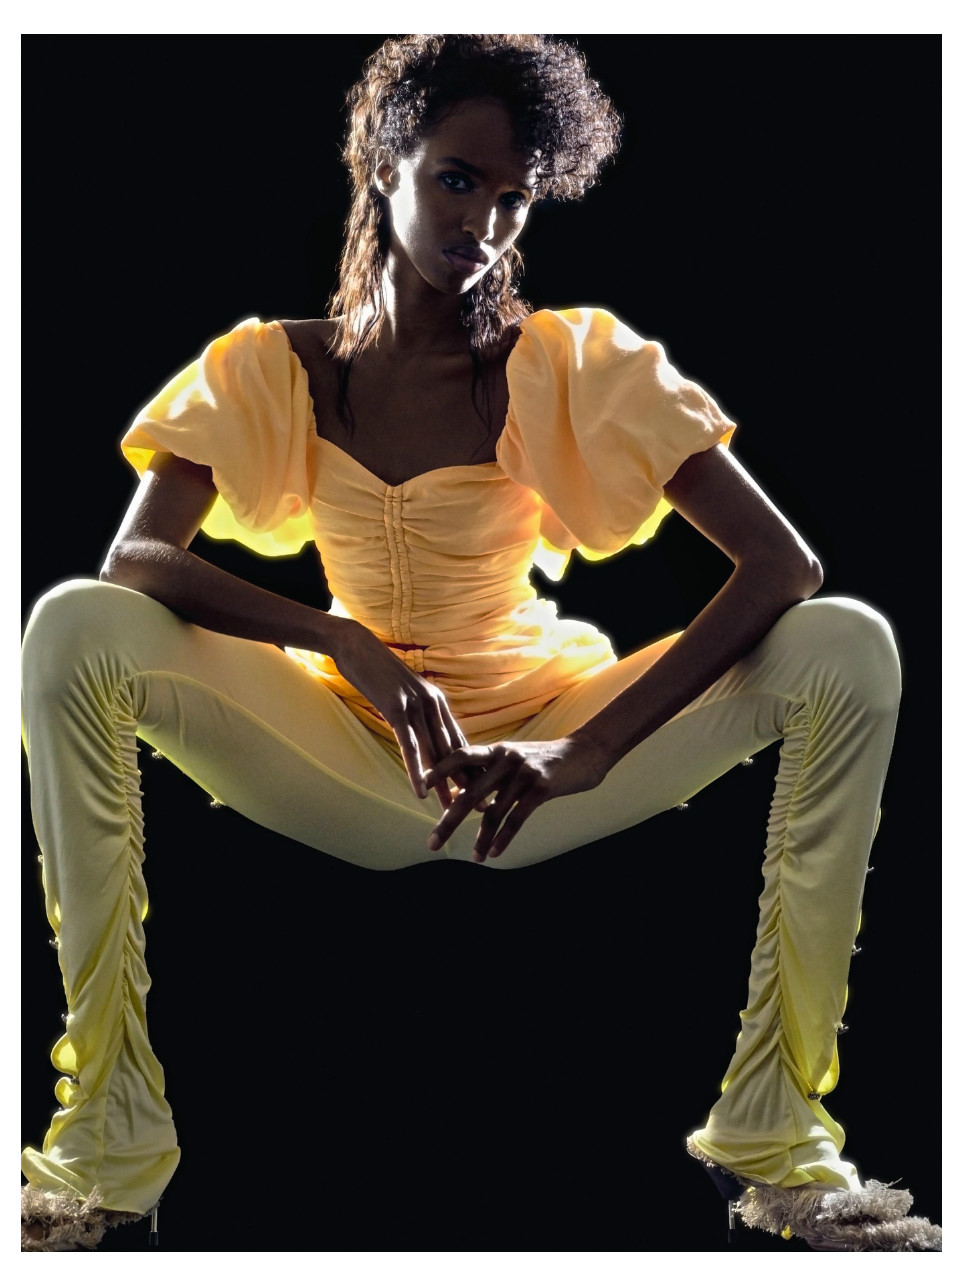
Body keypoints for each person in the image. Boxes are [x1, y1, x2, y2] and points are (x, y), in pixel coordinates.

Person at [20, 34, 940, 1252]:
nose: (486, 224)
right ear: (383, 164)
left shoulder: (569, 364)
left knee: (845, 644)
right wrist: (340, 639)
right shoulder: (275, 367)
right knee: (73, 626)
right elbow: (135, 559)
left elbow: (784, 566)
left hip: (543, 753)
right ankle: (103, 1150)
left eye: (515, 198)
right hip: (348, 752)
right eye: (459, 180)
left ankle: (781, 1142)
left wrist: (589, 751)